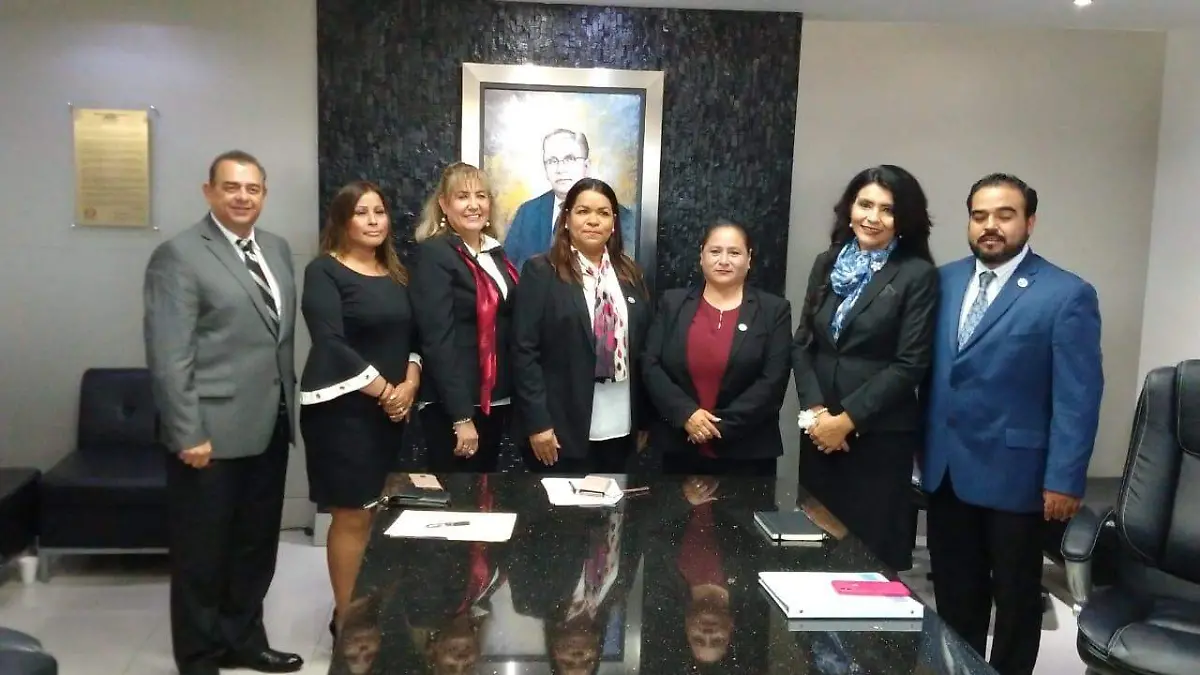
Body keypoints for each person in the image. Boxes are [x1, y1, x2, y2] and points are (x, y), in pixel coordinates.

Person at [922, 173, 1103, 675]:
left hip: (1019, 477)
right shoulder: (943, 282)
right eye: (979, 215)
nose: (990, 226)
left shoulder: (1066, 294)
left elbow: (1078, 397)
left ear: (1030, 222)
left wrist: (1065, 479)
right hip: (947, 472)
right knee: (956, 595)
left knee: (1017, 600)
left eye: (1005, 215)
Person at [143, 150, 303, 674]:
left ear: (264, 194)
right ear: (209, 191)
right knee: (202, 554)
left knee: (255, 546)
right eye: (231, 187)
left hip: (269, 424)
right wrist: (186, 431)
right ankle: (199, 656)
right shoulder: (179, 255)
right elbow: (169, 355)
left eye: (252, 188)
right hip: (208, 434)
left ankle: (244, 641)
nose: (242, 197)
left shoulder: (275, 249)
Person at [791, 165, 938, 573]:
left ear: (904, 218)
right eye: (865, 204)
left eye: (887, 209)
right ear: (849, 208)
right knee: (813, 552)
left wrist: (846, 421)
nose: (873, 217)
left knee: (869, 560)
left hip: (877, 438)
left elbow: (910, 363)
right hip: (820, 434)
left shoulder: (917, 275)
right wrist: (817, 414)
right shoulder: (827, 263)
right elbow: (803, 343)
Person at [298, 181, 421, 638]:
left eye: (379, 211)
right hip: (341, 413)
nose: (373, 221)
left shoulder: (396, 273)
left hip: (393, 412)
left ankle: (377, 608)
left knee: (384, 513)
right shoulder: (324, 271)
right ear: (342, 220)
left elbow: (413, 338)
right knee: (352, 514)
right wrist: (386, 390)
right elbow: (329, 342)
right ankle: (348, 617)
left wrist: (410, 383)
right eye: (361, 212)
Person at [513, 178, 651, 474]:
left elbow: (644, 351)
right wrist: (538, 423)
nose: (593, 221)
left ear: (614, 224)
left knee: (615, 502)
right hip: (560, 429)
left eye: (603, 213)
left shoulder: (630, 274)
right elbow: (524, 352)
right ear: (566, 219)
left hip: (621, 424)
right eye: (583, 211)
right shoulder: (542, 272)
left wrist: (644, 420)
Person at [642, 221, 792, 477]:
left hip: (747, 452)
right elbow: (650, 364)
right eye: (715, 251)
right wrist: (687, 415)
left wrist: (715, 428)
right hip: (679, 445)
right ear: (701, 256)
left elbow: (773, 380)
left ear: (749, 259)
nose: (724, 260)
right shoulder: (672, 303)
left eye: (734, 252)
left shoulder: (773, 310)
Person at [410, 162, 519, 472]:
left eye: (481, 196)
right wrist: (460, 416)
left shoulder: (495, 253)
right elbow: (437, 339)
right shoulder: (436, 254)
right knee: (458, 496)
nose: (474, 205)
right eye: (463, 196)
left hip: (495, 400)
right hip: (454, 406)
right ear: (444, 205)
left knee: (483, 493)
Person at [504, 128, 636, 271]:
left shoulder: (621, 217)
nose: (560, 169)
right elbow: (508, 271)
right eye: (552, 161)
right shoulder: (527, 213)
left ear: (586, 166)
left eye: (569, 159)